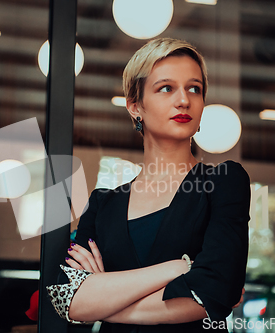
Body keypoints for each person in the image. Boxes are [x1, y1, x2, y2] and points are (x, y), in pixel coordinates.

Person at [46, 38, 251, 332]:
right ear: (135, 106)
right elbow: (68, 300)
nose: (184, 100)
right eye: (166, 88)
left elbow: (214, 294)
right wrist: (177, 268)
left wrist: (104, 300)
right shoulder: (103, 203)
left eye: (195, 88)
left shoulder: (224, 182)